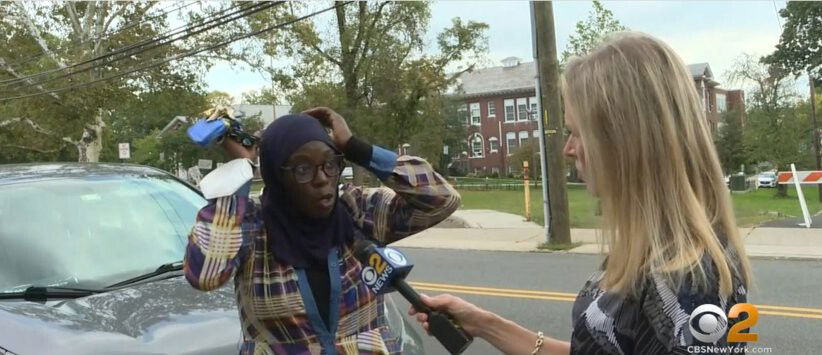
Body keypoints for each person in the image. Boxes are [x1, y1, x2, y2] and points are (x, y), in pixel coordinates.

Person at [410, 32, 753, 354]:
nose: (567, 149)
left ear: (624, 141)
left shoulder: (689, 281)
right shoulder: (653, 248)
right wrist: (485, 324)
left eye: (577, 132)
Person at [183, 107, 460, 354]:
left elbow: (441, 200)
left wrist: (355, 147)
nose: (322, 179)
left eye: (330, 163)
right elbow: (204, 275)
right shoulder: (251, 226)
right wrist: (241, 170)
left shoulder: (356, 210)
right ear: (277, 175)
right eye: (303, 169)